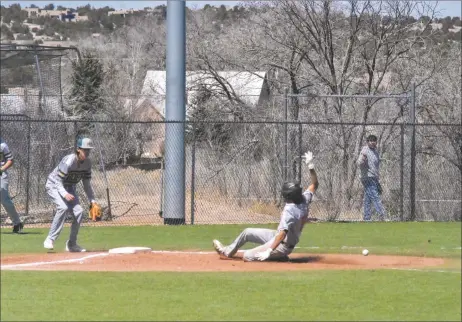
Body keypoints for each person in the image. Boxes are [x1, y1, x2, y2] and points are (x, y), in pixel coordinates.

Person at [212, 151, 319, 262]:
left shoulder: (290, 210)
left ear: (289, 196)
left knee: (248, 256)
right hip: (278, 237)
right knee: (247, 232)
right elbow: (314, 184)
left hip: (283, 246)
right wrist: (310, 166)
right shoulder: (304, 199)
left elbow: (282, 234)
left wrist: (269, 251)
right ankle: (227, 252)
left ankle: (279, 256)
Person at [43, 137, 98, 252]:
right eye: (85, 150)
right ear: (78, 149)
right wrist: (64, 194)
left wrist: (92, 201)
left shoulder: (87, 163)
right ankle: (50, 239)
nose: (87, 152)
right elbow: (58, 181)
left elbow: (87, 184)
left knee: (79, 212)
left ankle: (72, 244)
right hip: (53, 185)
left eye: (89, 150)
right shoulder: (69, 161)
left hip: (69, 188)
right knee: (63, 208)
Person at [357, 134, 386, 221]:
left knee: (368, 198)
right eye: (371, 140)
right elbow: (359, 163)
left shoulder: (375, 152)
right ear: (367, 142)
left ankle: (366, 217)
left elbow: (375, 166)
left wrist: (377, 178)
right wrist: (363, 161)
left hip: (374, 177)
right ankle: (382, 215)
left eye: (374, 140)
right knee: (375, 196)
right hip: (367, 177)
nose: (373, 142)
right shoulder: (365, 150)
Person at [0, 138, 24, 233]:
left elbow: (10, 160)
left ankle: (17, 222)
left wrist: (1, 169)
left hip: (1, 174)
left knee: (4, 199)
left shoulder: (3, 146)